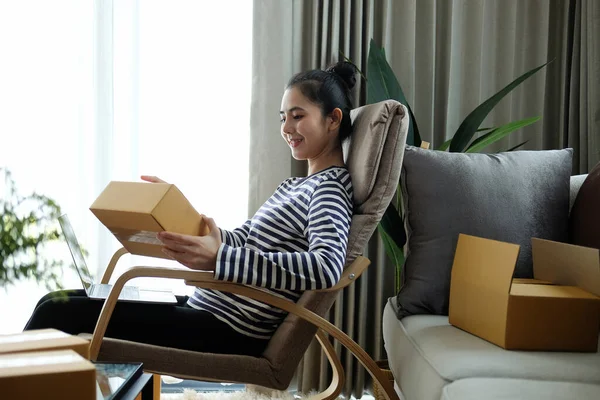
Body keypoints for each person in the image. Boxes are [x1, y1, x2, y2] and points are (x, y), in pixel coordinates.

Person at [24, 61, 357, 357]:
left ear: (333, 120)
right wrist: (179, 214)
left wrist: (219, 258)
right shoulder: (296, 186)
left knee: (57, 314)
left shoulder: (328, 189)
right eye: (283, 118)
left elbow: (325, 267)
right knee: (54, 301)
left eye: (298, 117)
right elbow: (244, 240)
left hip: (227, 329)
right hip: (207, 310)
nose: (287, 128)